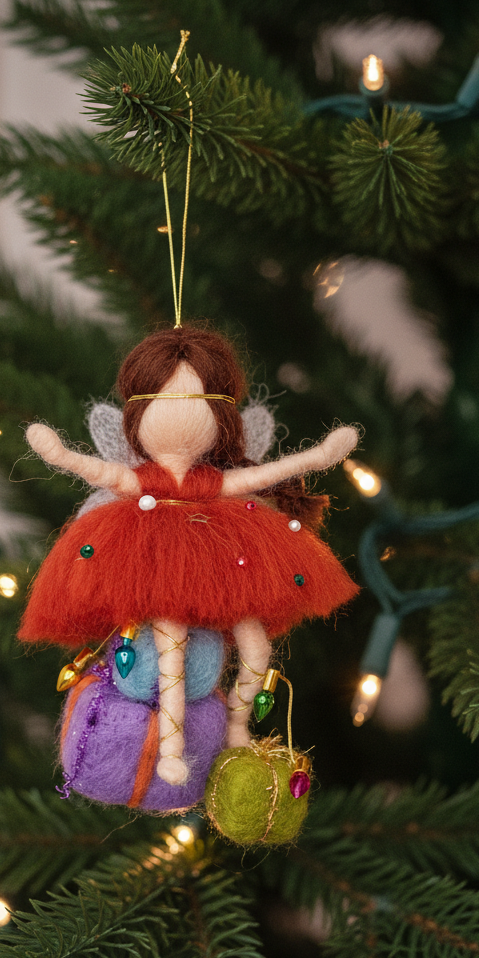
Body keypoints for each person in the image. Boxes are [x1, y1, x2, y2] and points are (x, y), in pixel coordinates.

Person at [20, 324, 360, 785]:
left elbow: (261, 478)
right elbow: (104, 473)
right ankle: (170, 751)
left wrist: (318, 457)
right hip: (154, 555)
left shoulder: (210, 481)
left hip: (225, 554)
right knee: (169, 643)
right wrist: (59, 454)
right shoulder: (148, 479)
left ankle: (237, 727)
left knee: (256, 645)